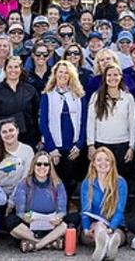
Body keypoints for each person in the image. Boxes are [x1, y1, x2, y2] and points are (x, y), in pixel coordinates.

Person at [6, 151, 78, 253]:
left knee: (74, 218)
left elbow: (62, 209)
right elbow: (20, 211)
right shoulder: (24, 183)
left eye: (46, 164)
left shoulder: (57, 183)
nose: (42, 167)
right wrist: (25, 217)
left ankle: (37, 244)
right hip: (30, 225)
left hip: (52, 225)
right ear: (33, 166)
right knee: (10, 220)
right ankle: (48, 242)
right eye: (39, 164)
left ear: (50, 167)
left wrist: (58, 217)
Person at [39, 60, 87, 196]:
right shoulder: (47, 95)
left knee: (70, 181)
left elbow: (84, 122)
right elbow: (43, 123)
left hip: (73, 148)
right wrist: (51, 148)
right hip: (55, 148)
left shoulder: (80, 95)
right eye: (60, 72)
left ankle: (66, 208)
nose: (63, 75)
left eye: (67, 72)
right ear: (55, 74)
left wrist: (79, 145)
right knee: (54, 182)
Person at [87, 62, 135, 180]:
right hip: (101, 143)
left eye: (115, 75)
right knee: (102, 177)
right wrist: (91, 145)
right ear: (105, 78)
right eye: (109, 75)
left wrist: (131, 146)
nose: (112, 78)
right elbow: (91, 121)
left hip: (122, 144)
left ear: (121, 77)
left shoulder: (128, 97)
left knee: (121, 178)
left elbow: (132, 122)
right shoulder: (96, 96)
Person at [81, 147, 128, 260]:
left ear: (112, 163)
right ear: (93, 164)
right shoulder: (87, 182)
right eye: (99, 160)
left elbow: (119, 210)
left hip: (114, 224)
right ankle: (106, 247)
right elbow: (85, 209)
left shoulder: (120, 182)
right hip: (94, 223)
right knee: (98, 226)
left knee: (116, 235)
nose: (103, 163)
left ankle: (105, 245)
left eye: (107, 160)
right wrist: (86, 228)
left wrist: (111, 228)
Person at [0, 56, 40, 148]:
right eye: (10, 67)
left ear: (21, 70)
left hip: (28, 139)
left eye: (16, 67)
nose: (13, 70)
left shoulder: (30, 90)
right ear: (5, 70)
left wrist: (39, 138)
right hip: (3, 140)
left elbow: (36, 116)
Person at [0, 118, 35, 211]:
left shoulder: (27, 151)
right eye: (4, 132)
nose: (8, 134)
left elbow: (25, 178)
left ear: (18, 131)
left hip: (20, 193)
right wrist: (1, 198)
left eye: (11, 130)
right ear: (0, 134)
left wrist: (12, 201)